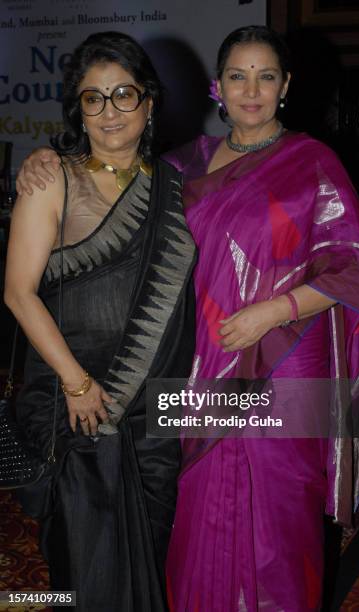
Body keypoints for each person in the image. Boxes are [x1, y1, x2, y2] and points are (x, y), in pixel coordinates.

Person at [16, 26, 359, 612]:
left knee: (277, 517)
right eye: (238, 76)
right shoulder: (181, 165)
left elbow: (357, 269)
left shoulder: (314, 161)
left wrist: (274, 310)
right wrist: (44, 158)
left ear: (285, 86)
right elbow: (101, 174)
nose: (251, 90)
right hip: (195, 369)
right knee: (194, 512)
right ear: (218, 88)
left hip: (286, 366)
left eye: (266, 76)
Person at [5, 31, 196, 612]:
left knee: (150, 552)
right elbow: (17, 293)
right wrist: (78, 383)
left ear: (149, 102)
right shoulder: (52, 179)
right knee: (82, 565)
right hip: (76, 404)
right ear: (78, 110)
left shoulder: (181, 183)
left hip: (157, 411)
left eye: (123, 94)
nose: (110, 111)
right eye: (94, 98)